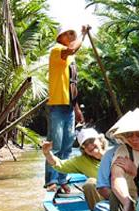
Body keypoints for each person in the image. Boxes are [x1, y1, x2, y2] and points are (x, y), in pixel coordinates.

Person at [45, 24, 88, 193]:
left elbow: (72, 86)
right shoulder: (57, 50)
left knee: (67, 146)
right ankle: (51, 181)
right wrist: (82, 35)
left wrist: (76, 109)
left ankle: (62, 179)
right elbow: (71, 49)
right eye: (68, 33)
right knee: (55, 146)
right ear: (60, 36)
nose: (71, 36)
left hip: (69, 107)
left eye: (74, 33)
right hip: (56, 106)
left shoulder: (71, 60)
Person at [42, 128, 107, 210]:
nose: (89, 146)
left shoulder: (114, 154)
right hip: (102, 199)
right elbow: (59, 164)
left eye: (91, 141)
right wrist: (47, 153)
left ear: (100, 141)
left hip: (119, 196)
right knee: (90, 183)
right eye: (85, 145)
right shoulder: (82, 161)